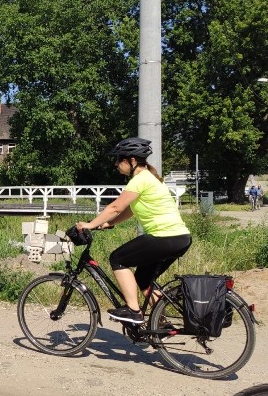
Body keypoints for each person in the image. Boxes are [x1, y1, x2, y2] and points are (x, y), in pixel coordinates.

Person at [75, 137, 192, 325]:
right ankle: (160, 322)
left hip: (164, 236)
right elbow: (129, 210)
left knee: (117, 259)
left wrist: (90, 224)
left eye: (118, 159)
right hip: (180, 238)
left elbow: (115, 207)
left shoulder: (140, 180)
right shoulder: (151, 178)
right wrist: (108, 223)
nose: (116, 164)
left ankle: (134, 311)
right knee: (143, 279)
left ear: (131, 160)